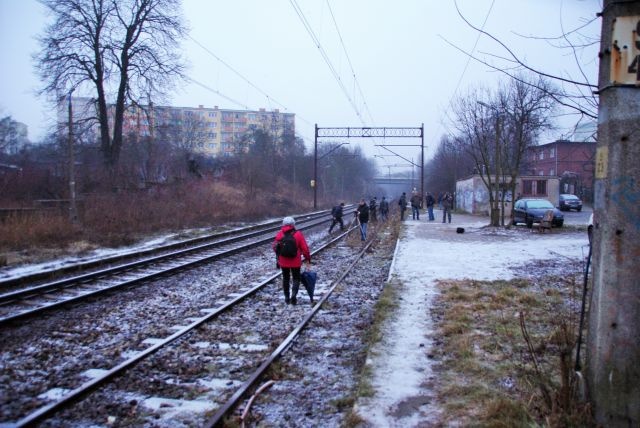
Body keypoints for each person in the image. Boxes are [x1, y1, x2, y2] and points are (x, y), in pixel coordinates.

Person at [273, 216, 311, 305]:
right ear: (293, 224)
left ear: (283, 224)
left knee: (285, 278)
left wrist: (281, 253)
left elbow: (274, 247)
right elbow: (305, 248)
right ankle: (293, 295)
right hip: (295, 261)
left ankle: (286, 297)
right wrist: (307, 258)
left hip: (283, 261)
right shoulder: (298, 234)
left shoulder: (280, 234)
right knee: (296, 278)